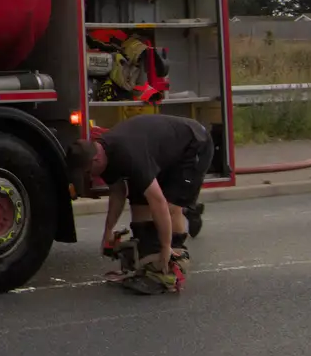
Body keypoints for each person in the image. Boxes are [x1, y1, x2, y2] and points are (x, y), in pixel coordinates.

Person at [65, 114, 214, 294]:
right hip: (161, 152)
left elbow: (158, 202)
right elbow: (118, 193)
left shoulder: (129, 156)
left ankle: (170, 268)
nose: (90, 177)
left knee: (170, 206)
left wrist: (166, 246)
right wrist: (108, 231)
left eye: (88, 173)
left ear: (95, 160)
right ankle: (148, 261)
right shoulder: (102, 156)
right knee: (138, 203)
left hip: (193, 144)